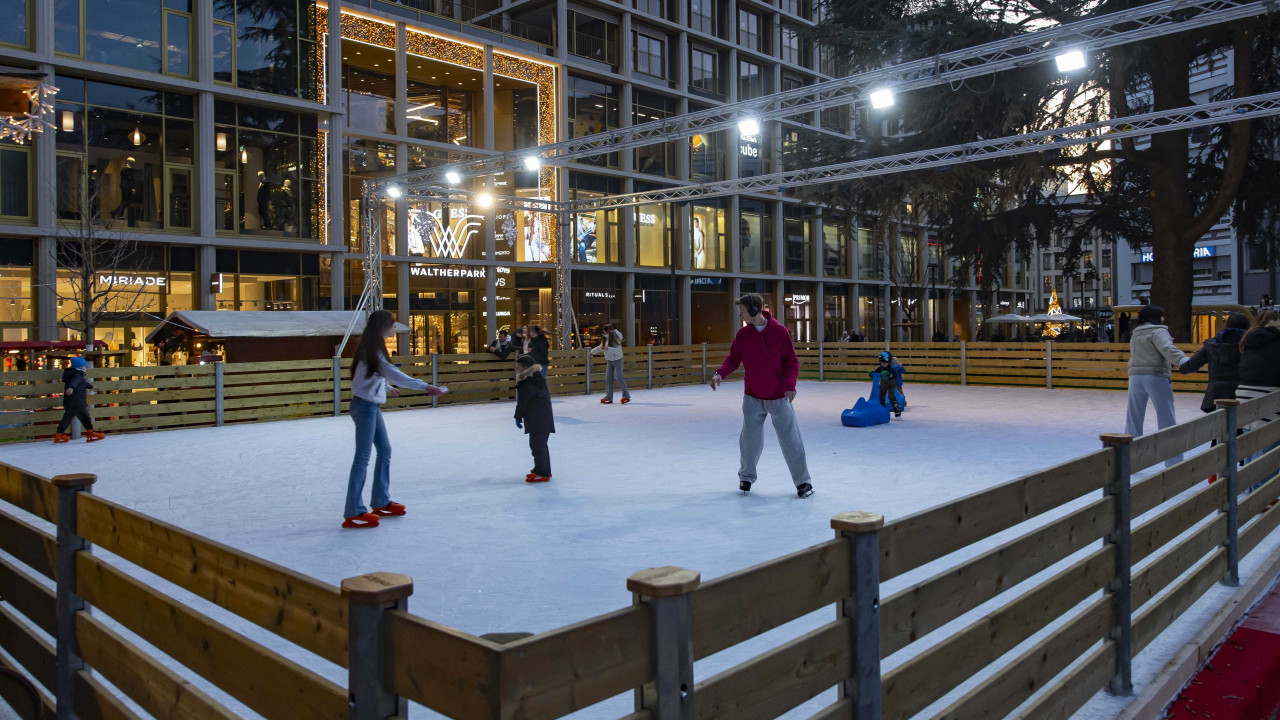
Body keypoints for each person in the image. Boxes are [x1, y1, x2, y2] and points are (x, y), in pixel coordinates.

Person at [343, 310, 446, 529]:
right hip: (364, 407)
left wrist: (388, 388)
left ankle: (380, 501)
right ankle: (353, 511)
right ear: (383, 327)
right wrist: (426, 386)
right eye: (392, 325)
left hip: (369, 406)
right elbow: (391, 372)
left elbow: (374, 375)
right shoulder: (372, 351)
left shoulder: (373, 348)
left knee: (385, 451)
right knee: (362, 458)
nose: (394, 329)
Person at [709, 293, 813, 498]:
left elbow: (792, 363)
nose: (741, 315)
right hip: (753, 396)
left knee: (790, 440)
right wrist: (720, 373)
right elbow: (733, 359)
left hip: (779, 396)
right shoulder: (743, 335)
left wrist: (790, 386)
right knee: (749, 440)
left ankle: (803, 482)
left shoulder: (780, 333)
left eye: (743, 312)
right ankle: (746, 477)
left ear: (755, 311)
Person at [1125, 305, 1190, 462]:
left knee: (1133, 418)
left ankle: (1129, 458)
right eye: (1162, 316)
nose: (1163, 319)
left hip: (1135, 377)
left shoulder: (1136, 333)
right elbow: (1167, 348)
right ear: (1156, 317)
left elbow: (1149, 353)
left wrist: (1168, 361)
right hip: (1155, 376)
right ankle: (1173, 460)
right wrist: (1184, 361)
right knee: (1166, 416)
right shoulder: (1158, 330)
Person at [1179, 312, 1250, 413]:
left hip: (1215, 394)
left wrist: (1182, 368)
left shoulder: (1212, 344)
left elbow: (1192, 364)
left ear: (1226, 325)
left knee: (1219, 426)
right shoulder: (1249, 344)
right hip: (1242, 392)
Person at [1236, 309, 1280, 431]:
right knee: (1269, 443)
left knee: (1251, 442)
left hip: (1243, 395)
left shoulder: (1248, 340)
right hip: (1271, 395)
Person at [514, 354, 555, 483]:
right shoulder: (537, 379)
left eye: (518, 367)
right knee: (540, 445)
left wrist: (518, 417)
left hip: (537, 418)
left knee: (537, 445)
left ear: (525, 368)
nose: (516, 370)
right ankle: (544, 468)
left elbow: (522, 403)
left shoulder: (527, 383)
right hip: (543, 417)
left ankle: (542, 472)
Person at [53, 357, 103, 443]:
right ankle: (90, 432)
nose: (86, 368)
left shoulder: (72, 373)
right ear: (80, 367)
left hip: (69, 402)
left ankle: (59, 434)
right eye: (85, 366)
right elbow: (75, 382)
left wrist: (91, 387)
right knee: (85, 417)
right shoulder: (77, 374)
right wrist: (71, 388)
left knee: (67, 418)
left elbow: (82, 383)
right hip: (77, 401)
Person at [591, 323, 630, 404]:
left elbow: (618, 350)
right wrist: (592, 352)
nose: (604, 333)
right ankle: (609, 397)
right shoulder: (605, 338)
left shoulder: (616, 338)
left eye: (605, 332)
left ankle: (626, 396)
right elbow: (600, 347)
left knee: (619, 377)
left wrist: (607, 349)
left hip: (618, 360)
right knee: (609, 379)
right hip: (609, 360)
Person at [869, 350, 904, 418]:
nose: (884, 363)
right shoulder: (879, 368)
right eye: (882, 362)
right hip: (883, 384)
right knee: (881, 398)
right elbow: (876, 373)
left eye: (885, 362)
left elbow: (894, 375)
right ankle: (882, 410)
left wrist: (890, 375)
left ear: (889, 361)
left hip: (891, 384)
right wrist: (871, 374)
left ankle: (897, 409)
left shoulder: (891, 369)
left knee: (891, 397)